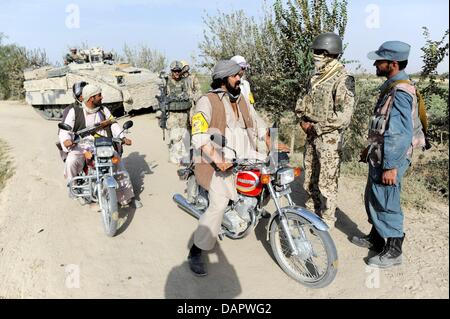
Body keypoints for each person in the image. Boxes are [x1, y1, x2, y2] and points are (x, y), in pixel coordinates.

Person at [187, 60, 289, 276]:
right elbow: (199, 135)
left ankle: (252, 208)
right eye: (235, 75)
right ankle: (196, 250)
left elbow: (258, 122)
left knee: (272, 177)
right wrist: (216, 158)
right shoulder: (207, 101)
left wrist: (271, 141)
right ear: (224, 79)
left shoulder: (241, 97)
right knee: (219, 204)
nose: (239, 78)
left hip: (246, 154)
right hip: (218, 160)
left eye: (239, 75)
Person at [351, 41, 425, 268]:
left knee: (386, 199)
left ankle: (394, 249)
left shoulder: (401, 91)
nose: (375, 63)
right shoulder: (392, 87)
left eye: (379, 60)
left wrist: (391, 166)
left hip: (391, 157)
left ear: (392, 64)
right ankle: (376, 237)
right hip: (380, 153)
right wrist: (370, 147)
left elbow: (400, 134)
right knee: (375, 195)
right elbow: (382, 124)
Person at [294, 32, 355, 229]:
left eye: (319, 52)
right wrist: (302, 120)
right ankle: (312, 212)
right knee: (310, 176)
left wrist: (318, 127)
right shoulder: (314, 77)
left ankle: (327, 219)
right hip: (311, 134)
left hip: (328, 138)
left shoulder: (342, 78)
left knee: (327, 181)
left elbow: (344, 116)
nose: (315, 55)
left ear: (329, 53)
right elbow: (303, 101)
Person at [58, 84, 140, 208]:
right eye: (99, 95)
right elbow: (65, 130)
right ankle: (76, 189)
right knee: (71, 161)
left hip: (103, 143)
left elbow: (113, 124)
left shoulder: (103, 109)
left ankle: (126, 197)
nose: (102, 97)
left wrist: (122, 137)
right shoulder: (74, 111)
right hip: (82, 144)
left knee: (117, 162)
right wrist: (66, 141)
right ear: (91, 98)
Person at [164, 60, 201, 165]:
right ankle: (175, 158)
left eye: (178, 70)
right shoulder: (166, 81)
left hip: (184, 113)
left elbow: (192, 95)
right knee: (175, 137)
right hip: (172, 114)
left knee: (184, 135)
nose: (176, 73)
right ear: (171, 71)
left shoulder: (186, 81)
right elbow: (161, 98)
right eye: (174, 71)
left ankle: (183, 158)